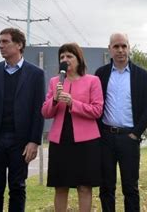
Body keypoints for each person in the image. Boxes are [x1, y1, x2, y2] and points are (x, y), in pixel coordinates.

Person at [0, 28, 45, 211]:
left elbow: (39, 111)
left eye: (5, 42)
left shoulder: (36, 74)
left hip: (21, 143)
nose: (0, 46)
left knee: (17, 188)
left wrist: (34, 141)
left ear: (19, 44)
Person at [41, 43, 104, 212]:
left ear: (79, 59)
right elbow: (45, 112)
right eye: (62, 57)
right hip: (60, 140)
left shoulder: (93, 81)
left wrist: (72, 103)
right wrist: (54, 100)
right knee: (60, 187)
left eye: (69, 56)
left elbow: (97, 111)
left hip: (86, 142)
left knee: (84, 187)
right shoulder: (55, 82)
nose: (65, 59)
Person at [95, 32, 147, 212]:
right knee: (106, 187)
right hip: (105, 138)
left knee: (130, 187)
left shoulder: (141, 75)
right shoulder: (101, 74)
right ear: (110, 49)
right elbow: (95, 104)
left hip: (129, 138)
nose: (120, 50)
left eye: (124, 46)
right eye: (116, 46)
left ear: (129, 48)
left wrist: (136, 133)